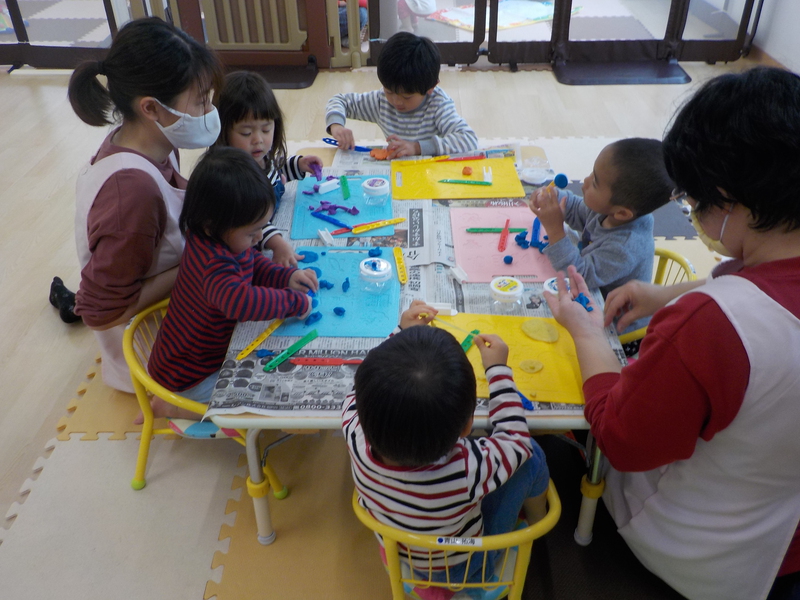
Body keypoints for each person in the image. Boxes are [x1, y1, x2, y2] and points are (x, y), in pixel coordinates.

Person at [544, 67, 800, 600]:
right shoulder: (731, 296)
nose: (690, 212)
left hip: (711, 556)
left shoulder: (711, 326)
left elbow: (623, 438)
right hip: (782, 522)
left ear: (727, 201)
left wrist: (588, 335)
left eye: (694, 203)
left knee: (543, 439)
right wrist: (666, 294)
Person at [62, 17, 224, 392]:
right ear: (151, 108)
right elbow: (101, 314)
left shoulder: (152, 143)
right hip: (159, 354)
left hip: (181, 315)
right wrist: (200, 259)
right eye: (201, 102)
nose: (209, 110)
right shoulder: (131, 191)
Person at [343, 300, 550, 586]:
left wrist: (401, 332)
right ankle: (540, 527)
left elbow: (361, 384)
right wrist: (498, 372)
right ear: (467, 426)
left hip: (398, 550)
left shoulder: (353, 430)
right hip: (464, 565)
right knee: (533, 457)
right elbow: (517, 442)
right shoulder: (467, 469)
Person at [147, 147, 317, 414]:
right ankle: (170, 406)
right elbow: (242, 303)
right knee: (264, 395)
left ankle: (166, 398)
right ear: (213, 223)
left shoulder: (215, 237)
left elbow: (252, 263)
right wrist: (292, 302)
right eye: (252, 232)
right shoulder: (213, 262)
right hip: (189, 376)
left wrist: (286, 277)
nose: (260, 238)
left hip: (185, 358)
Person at [528, 138, 673, 340]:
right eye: (591, 174)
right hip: (592, 299)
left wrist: (555, 231)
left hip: (615, 329)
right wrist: (553, 197)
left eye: (595, 183)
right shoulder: (610, 210)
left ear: (622, 213)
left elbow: (579, 276)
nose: (585, 182)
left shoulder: (625, 246)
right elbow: (578, 210)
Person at [214, 70, 323, 268]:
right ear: (223, 131)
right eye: (246, 132)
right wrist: (277, 243)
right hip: (248, 247)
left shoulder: (259, 158)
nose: (258, 140)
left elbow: (276, 172)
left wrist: (298, 165)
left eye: (266, 129)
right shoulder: (232, 178)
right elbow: (251, 220)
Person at [325, 31, 478, 158]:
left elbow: (468, 139)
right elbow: (340, 100)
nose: (396, 101)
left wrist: (417, 147)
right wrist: (336, 126)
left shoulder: (438, 105)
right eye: (389, 91)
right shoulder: (381, 101)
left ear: (431, 87)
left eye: (407, 97)